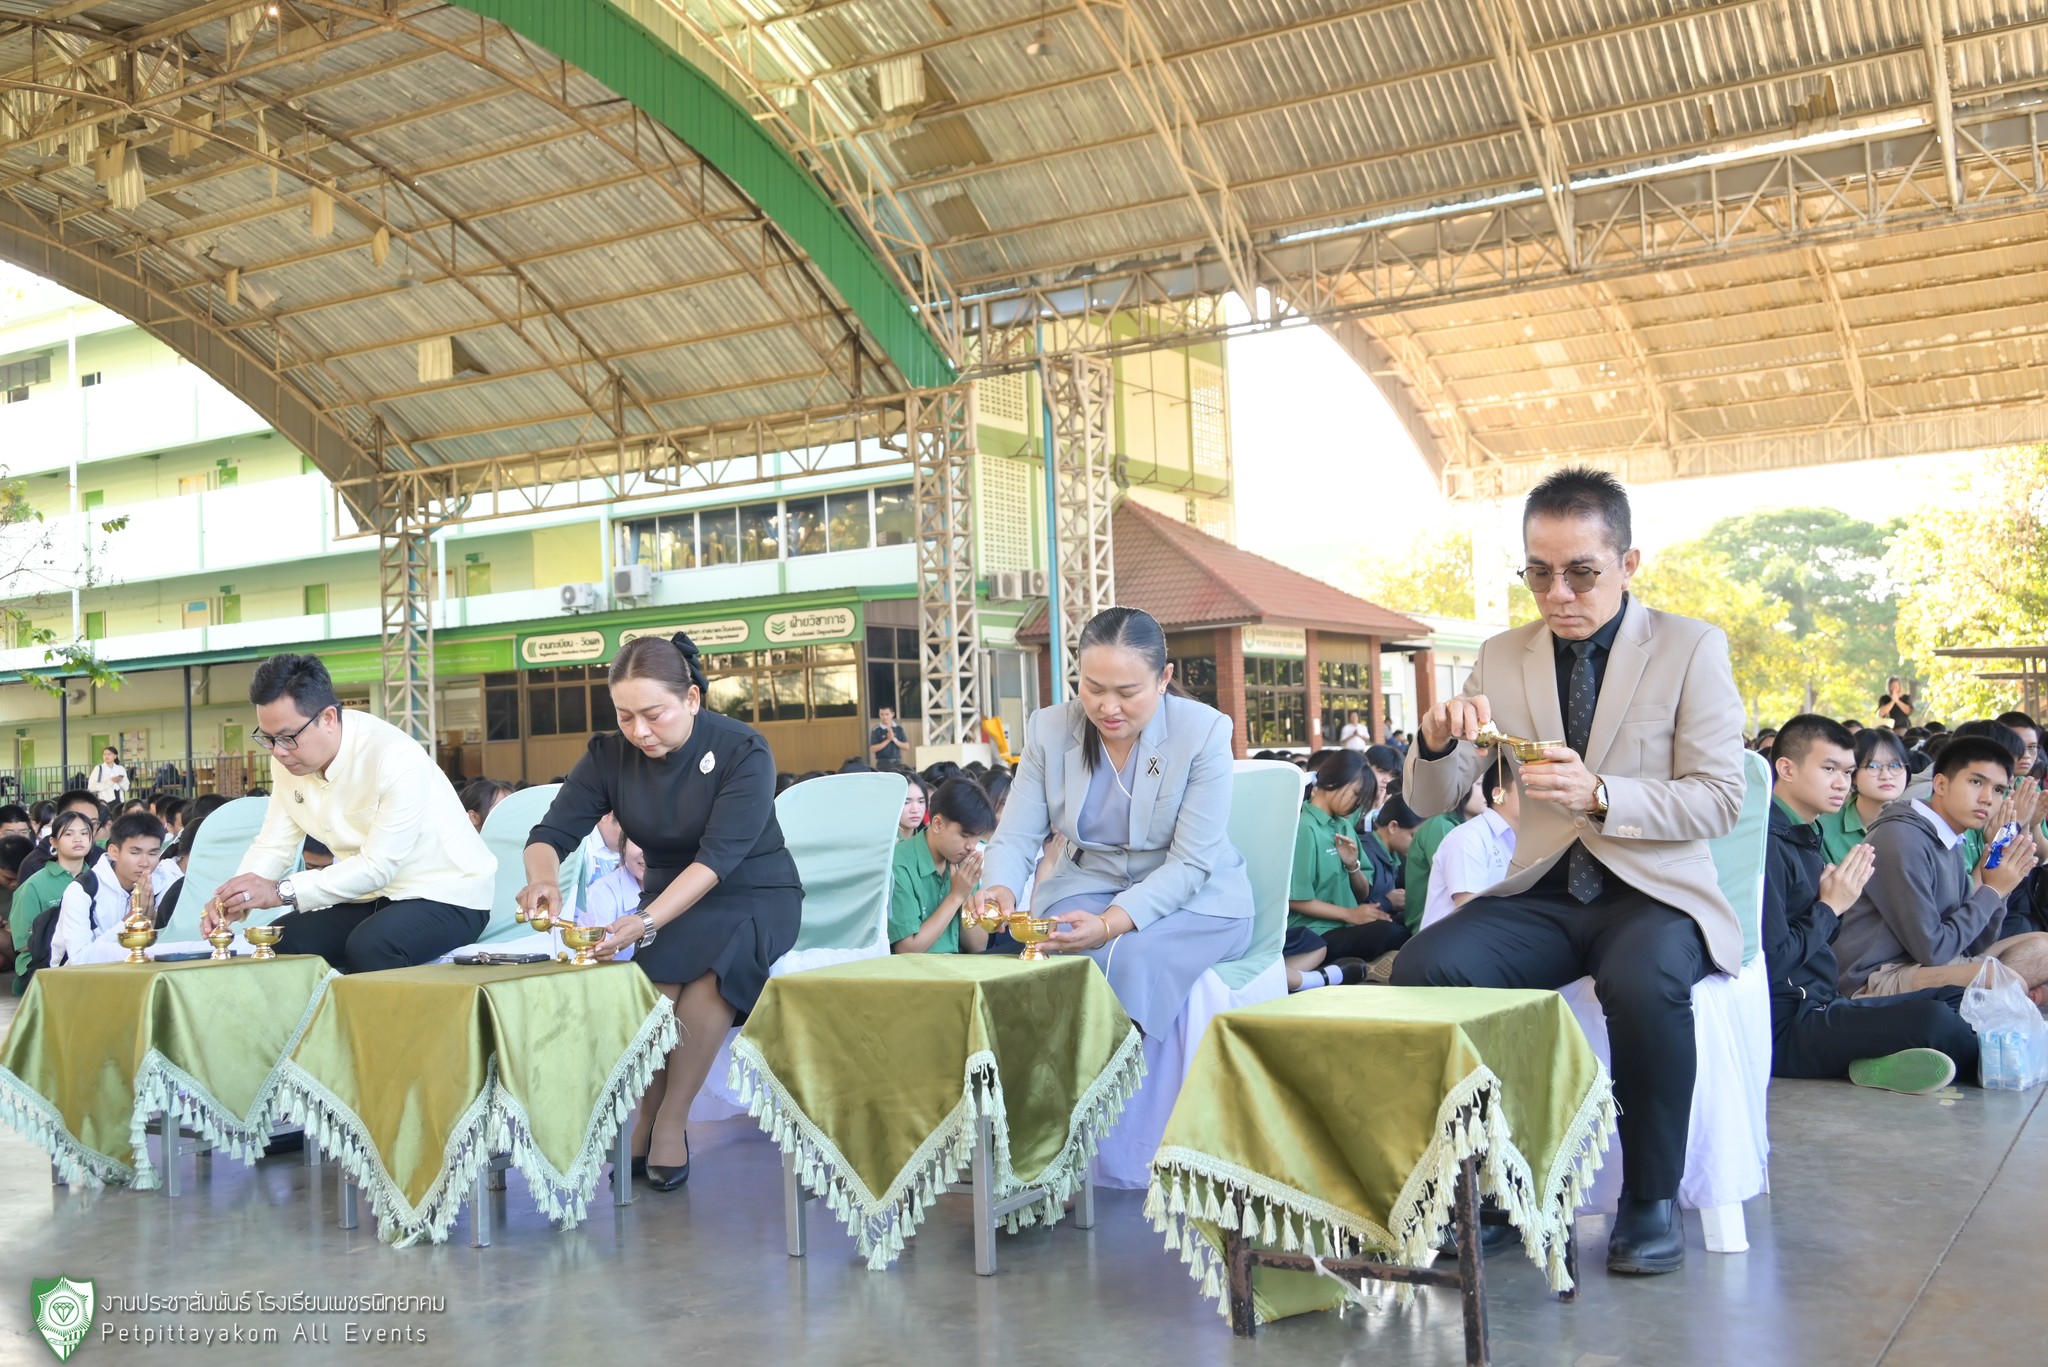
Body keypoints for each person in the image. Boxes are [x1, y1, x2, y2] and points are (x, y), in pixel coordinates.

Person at [1391, 467, 1747, 1277]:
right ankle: (1502, 1186)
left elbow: (1721, 798)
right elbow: (1430, 797)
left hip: (1653, 892)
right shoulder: (1500, 656)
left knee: (1645, 976)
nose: (1558, 592)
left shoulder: (1691, 646)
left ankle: (1650, 1198)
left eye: (1581, 570)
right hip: (1546, 888)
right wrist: (1440, 743)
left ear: (1629, 562)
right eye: (1538, 571)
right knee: (1425, 964)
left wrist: (1602, 794)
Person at [521, 633, 803, 1192]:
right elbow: (549, 834)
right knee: (658, 990)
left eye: (654, 715)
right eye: (626, 717)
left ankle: (672, 1120)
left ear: (692, 700)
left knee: (710, 973)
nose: (639, 732)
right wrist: (543, 880)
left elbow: (719, 860)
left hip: (752, 889)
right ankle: (644, 1118)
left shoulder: (743, 749)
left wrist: (647, 921)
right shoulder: (608, 754)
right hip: (671, 890)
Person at [981, 607, 1254, 1038]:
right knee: (1054, 944)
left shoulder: (1204, 731)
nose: (1108, 707)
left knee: (1132, 953)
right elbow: (1015, 835)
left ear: (1164, 678)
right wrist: (999, 888)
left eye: (1128, 692)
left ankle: (1115, 1094)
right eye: (1093, 688)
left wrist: (1110, 923)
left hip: (1196, 900)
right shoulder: (1048, 729)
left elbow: (1191, 863)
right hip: (1086, 886)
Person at [200, 654, 498, 973]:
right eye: (268, 739)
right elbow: (274, 845)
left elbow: (378, 865)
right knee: (281, 944)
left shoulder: (394, 756)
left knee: (371, 947)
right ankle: (311, 1024)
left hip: (447, 894)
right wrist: (237, 896)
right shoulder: (286, 760)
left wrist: (279, 892)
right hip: (369, 896)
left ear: (328, 718)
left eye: (287, 738)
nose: (278, 751)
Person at [1764, 715, 1977, 1092]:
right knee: (1933, 1021)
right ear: (1787, 768)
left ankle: (1870, 1062)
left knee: (1958, 995)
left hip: (1824, 1002)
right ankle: (2005, 1066)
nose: (1840, 783)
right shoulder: (1767, 844)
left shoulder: (1805, 833)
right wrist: (1830, 907)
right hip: (1786, 1025)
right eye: (1828, 768)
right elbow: (1772, 961)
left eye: (1847, 771)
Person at [1834, 736, 2048, 1004]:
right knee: (2000, 978)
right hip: (1873, 978)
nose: (1987, 799)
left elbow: (1973, 944)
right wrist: (1993, 890)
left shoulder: (1950, 836)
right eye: (1976, 782)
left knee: (2043, 947)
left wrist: (1996, 876)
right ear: (1941, 784)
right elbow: (1933, 951)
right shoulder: (1901, 837)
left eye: (1998, 790)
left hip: (1926, 961)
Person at [1287, 750, 1409, 970]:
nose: (1357, 805)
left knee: (1404, 923)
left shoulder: (1343, 825)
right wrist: (1351, 914)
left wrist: (1353, 867)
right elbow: (1296, 899)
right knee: (1390, 933)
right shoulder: (1305, 827)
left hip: (1346, 923)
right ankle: (1363, 966)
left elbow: (1362, 893)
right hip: (1316, 931)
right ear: (1333, 783)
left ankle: (1366, 964)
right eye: (1356, 795)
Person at [889, 777, 996, 955]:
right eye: (965, 835)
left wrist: (967, 893)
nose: (971, 846)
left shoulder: (962, 862)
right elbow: (907, 951)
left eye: (977, 837)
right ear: (937, 824)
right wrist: (955, 896)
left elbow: (978, 946)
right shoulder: (899, 864)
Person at [50, 812, 169, 967]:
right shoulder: (82, 891)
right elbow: (80, 959)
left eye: (153, 853)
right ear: (114, 852)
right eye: (135, 853)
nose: (144, 862)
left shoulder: (163, 884)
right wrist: (131, 920)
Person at [1420, 760, 1521, 932]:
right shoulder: (1468, 837)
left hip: (1491, 939)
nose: (1537, 795)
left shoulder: (1523, 838)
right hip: (1452, 945)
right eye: (1527, 786)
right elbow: (1470, 910)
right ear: (1499, 795)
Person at [11, 811, 94, 988]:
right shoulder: (33, 885)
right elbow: (22, 942)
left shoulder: (99, 880)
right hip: (40, 965)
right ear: (53, 842)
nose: (78, 839)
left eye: (84, 833)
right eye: (69, 834)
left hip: (88, 960)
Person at [1817, 727, 1910, 865]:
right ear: (1852, 775)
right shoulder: (1824, 829)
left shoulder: (1918, 824)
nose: (1886, 775)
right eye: (1873, 766)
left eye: (1895, 765)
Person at [1400, 779, 1483, 934]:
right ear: (1460, 788)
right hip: (1430, 929)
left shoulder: (1469, 828)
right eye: (1479, 784)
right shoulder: (1442, 826)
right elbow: (1457, 882)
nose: (1487, 790)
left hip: (1453, 923)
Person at [16, 791, 105, 884]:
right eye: (77, 821)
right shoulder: (34, 865)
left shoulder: (103, 859)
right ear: (59, 820)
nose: (87, 829)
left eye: (93, 823)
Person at [582, 839, 646, 964]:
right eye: (639, 841)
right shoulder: (601, 893)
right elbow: (602, 956)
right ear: (623, 846)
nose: (647, 852)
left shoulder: (685, 889)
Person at [1363, 797, 1423, 922]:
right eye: (1413, 837)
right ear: (1393, 827)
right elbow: (1352, 908)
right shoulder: (1365, 854)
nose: (1417, 845)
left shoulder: (1391, 854)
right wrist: (1387, 902)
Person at [896, 770, 928, 841]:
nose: (915, 810)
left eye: (921, 801)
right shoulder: (884, 842)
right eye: (906, 802)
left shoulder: (929, 840)